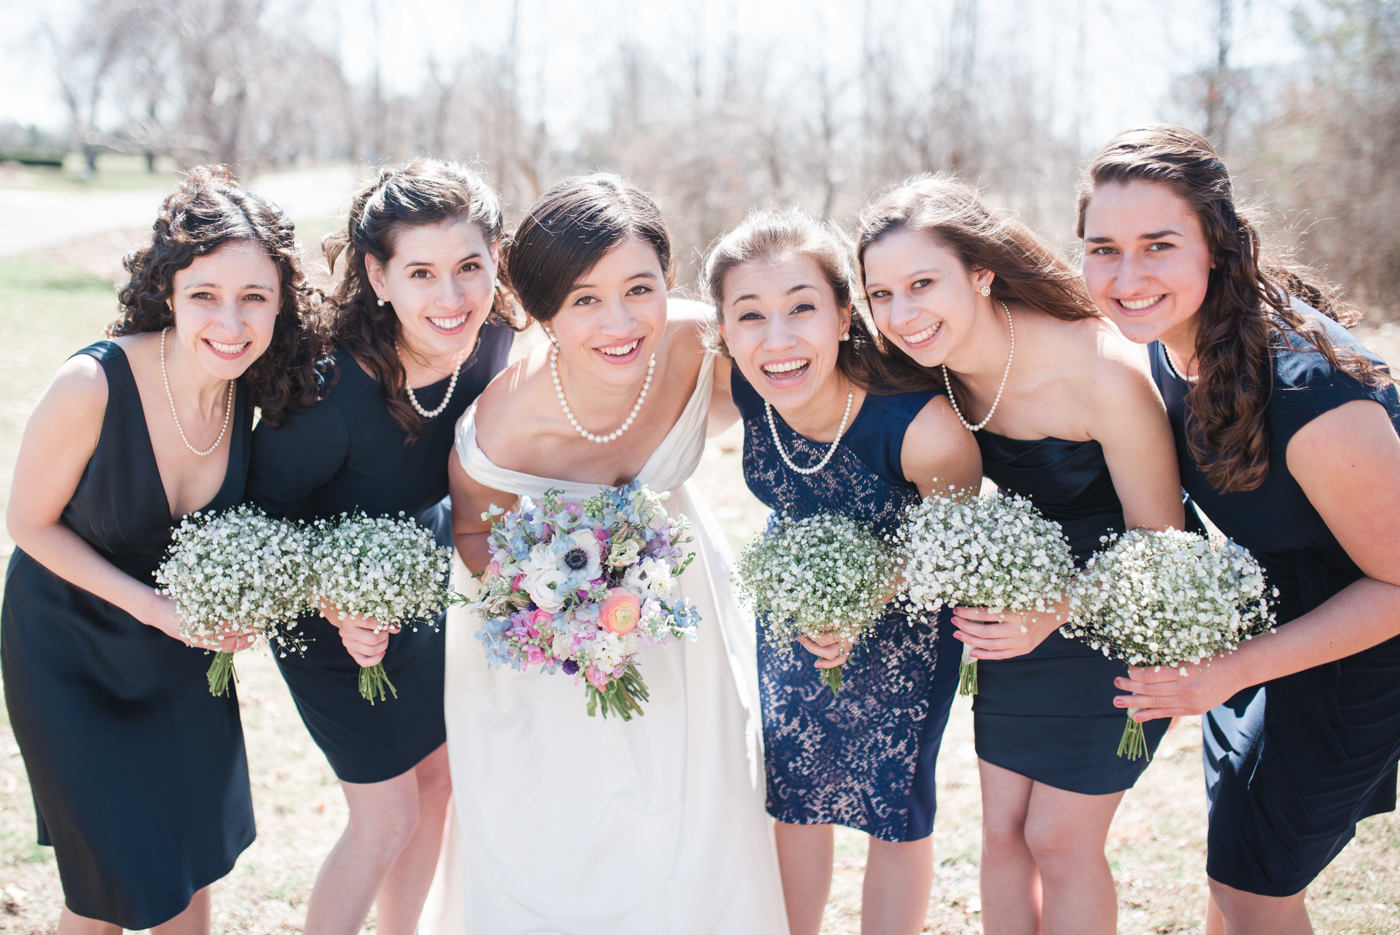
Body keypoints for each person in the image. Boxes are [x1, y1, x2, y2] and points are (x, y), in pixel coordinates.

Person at [435, 173, 787, 934]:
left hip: (681, 611)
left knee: (699, 814)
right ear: (540, 312)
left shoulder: (703, 340)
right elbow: (471, 539)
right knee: (571, 831)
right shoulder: (501, 426)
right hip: (541, 652)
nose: (621, 322)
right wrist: (560, 615)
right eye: (585, 300)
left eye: (640, 287)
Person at [1079, 124, 1400, 935]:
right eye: (1103, 248)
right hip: (1264, 624)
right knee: (1240, 871)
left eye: (1158, 244)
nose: (1127, 275)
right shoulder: (1157, 341)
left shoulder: (1309, 389)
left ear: (1216, 246)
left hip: (1363, 648)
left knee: (1255, 885)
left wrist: (1227, 670)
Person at [856, 176, 1185, 935]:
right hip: (1018, 603)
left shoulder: (1098, 368)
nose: (902, 314)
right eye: (881, 294)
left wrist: (1055, 609)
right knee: (1002, 833)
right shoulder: (925, 365)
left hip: (1121, 605)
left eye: (922, 284)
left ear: (980, 272)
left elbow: (1162, 543)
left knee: (1059, 840)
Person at [2, 167, 324, 935]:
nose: (231, 320)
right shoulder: (92, 384)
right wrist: (155, 606)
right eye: (206, 293)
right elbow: (27, 523)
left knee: (191, 856)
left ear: (280, 304)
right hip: (67, 646)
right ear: (169, 291)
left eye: (255, 297)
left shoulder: (257, 390)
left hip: (178, 655)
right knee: (105, 882)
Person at [245, 160, 518, 935]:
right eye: (422, 272)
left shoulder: (496, 337)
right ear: (378, 274)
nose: (452, 296)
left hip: (420, 578)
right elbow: (254, 515)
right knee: (385, 815)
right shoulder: (332, 392)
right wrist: (333, 598)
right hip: (317, 604)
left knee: (437, 781)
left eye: (470, 267)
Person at [705, 207, 980, 935]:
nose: (779, 338)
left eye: (802, 308)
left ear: (844, 314)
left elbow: (952, 544)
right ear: (724, 330)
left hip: (909, 619)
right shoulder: (742, 387)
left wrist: (861, 603)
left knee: (894, 802)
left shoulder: (921, 429)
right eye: (750, 315)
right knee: (793, 791)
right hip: (793, 607)